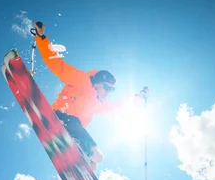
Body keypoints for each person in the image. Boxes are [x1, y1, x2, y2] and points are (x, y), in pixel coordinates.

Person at [32, 21, 149, 170]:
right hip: (60, 117)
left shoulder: (99, 103)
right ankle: (74, 143)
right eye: (107, 87)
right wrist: (41, 38)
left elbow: (119, 107)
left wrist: (139, 97)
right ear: (99, 82)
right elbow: (58, 66)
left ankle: (80, 172)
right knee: (78, 130)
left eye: (111, 90)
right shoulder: (83, 80)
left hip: (75, 129)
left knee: (97, 160)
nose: (108, 92)